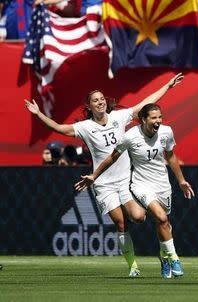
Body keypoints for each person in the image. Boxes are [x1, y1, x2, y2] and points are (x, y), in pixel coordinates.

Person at [25, 73, 184, 277]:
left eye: (102, 99)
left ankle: (162, 253)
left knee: (139, 217)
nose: (100, 102)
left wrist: (167, 86)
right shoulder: (85, 127)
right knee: (121, 223)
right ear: (89, 106)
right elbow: (58, 128)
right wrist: (38, 113)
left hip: (126, 180)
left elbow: (146, 104)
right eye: (95, 101)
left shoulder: (120, 117)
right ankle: (133, 266)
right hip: (103, 183)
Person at [75, 103, 195, 279]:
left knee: (163, 223)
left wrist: (182, 180)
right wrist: (94, 175)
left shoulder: (166, 132)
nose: (158, 121)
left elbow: (170, 156)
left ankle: (164, 256)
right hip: (140, 184)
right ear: (143, 119)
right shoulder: (130, 137)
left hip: (162, 184)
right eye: (154, 118)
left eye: (160, 117)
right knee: (160, 217)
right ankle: (174, 258)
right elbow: (112, 157)